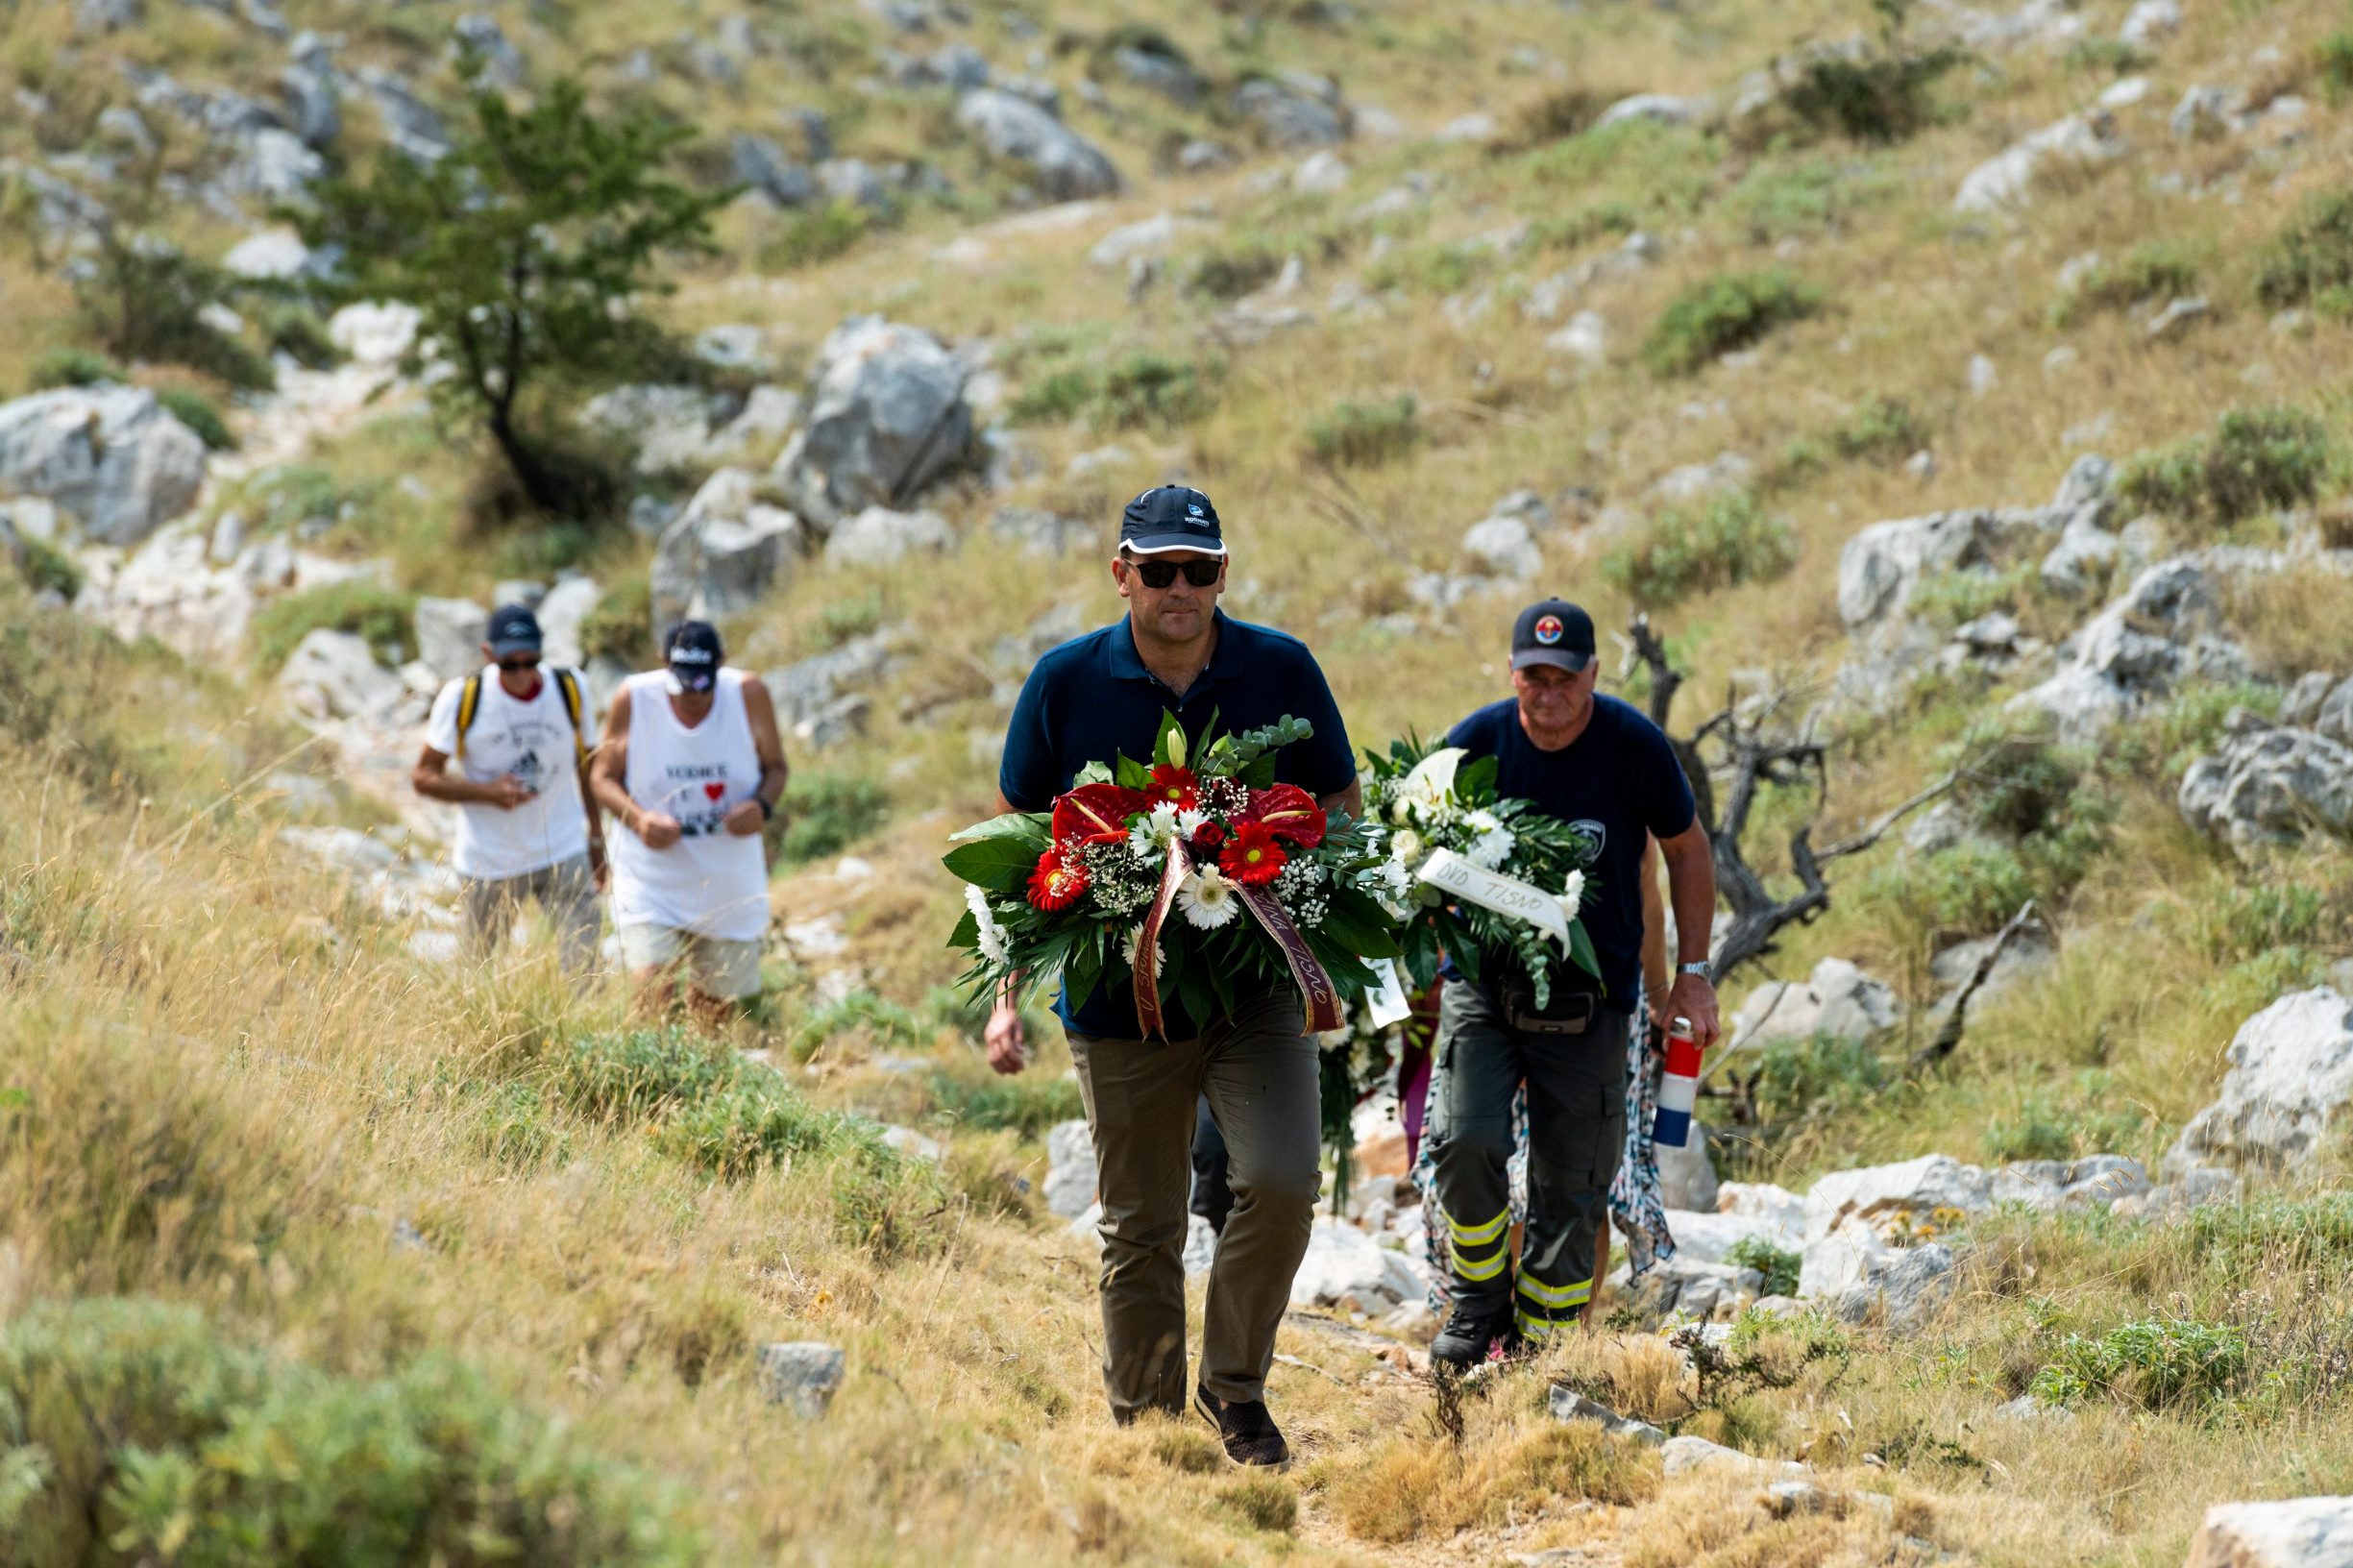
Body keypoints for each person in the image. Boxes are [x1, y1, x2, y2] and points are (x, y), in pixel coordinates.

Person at [987, 484, 1360, 1465]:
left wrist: (1306, 890)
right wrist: (1007, 995)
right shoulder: (1064, 683)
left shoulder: (1280, 668)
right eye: (1158, 572)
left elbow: (1338, 800)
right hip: (1120, 1006)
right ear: (1122, 575)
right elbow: (1021, 845)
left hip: (1254, 992)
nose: (1179, 589)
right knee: (1142, 1224)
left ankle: (1233, 1392)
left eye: (1198, 570)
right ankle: (1147, 1427)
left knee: (1280, 1182)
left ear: (1223, 574)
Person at [1424, 599, 1720, 1370]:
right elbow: (1417, 853)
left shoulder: (1632, 746)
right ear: (1512, 675)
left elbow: (1685, 854)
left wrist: (1688, 981)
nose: (1547, 693)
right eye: (1532, 677)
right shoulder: (1474, 745)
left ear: (1593, 672)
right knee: (1462, 1141)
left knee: (1574, 1187)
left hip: (1591, 1005)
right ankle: (1477, 1301)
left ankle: (1543, 1353)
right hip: (1483, 993)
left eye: (1563, 676)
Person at [590, 621, 788, 1031]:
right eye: (683, 686)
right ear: (664, 665)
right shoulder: (635, 698)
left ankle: (695, 1089)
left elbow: (776, 768)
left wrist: (761, 806)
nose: (694, 697)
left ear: (721, 666)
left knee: (712, 1018)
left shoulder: (748, 695)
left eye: (704, 685)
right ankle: (646, 1084)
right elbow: (601, 776)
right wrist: (639, 818)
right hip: (651, 880)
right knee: (651, 993)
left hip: (727, 884)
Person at [412, 602, 605, 969]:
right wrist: (488, 793)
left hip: (563, 850)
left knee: (586, 971)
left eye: (531, 661)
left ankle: (588, 1027)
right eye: (509, 665)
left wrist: (596, 838)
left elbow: (588, 769)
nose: (522, 673)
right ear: (488, 655)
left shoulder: (570, 688)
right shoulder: (463, 697)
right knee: (479, 972)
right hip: (489, 861)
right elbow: (423, 776)